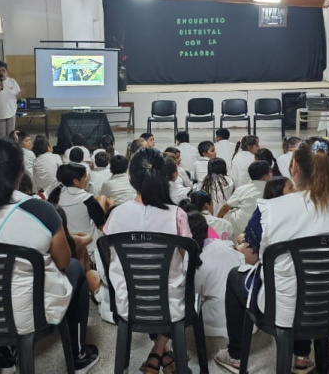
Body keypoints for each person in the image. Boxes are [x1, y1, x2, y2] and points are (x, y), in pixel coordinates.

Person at [215, 138, 329, 373]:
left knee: (236, 276)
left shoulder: (272, 209)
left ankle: (236, 355)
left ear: (294, 168)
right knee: (312, 280)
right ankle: (302, 355)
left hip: (280, 307)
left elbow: (250, 258)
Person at [0, 139, 100, 373]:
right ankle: (78, 354)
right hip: (27, 316)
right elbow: (61, 262)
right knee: (74, 268)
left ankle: (4, 353)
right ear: (19, 173)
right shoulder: (39, 210)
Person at [102, 148, 192, 374]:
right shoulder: (176, 215)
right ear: (166, 176)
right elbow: (185, 260)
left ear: (131, 179)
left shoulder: (115, 215)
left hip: (127, 301)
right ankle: (161, 351)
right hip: (170, 303)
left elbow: (109, 257)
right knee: (182, 279)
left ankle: (157, 352)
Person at [187, 211, 242, 338]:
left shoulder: (193, 258)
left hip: (215, 324)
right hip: (244, 317)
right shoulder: (224, 245)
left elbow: (193, 293)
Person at [47, 163, 113, 257]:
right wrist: (111, 207)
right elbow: (102, 226)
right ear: (76, 181)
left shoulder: (55, 195)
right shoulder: (87, 199)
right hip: (87, 248)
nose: (88, 179)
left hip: (62, 247)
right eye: (85, 176)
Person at [218, 160, 270, 237]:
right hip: (265, 227)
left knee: (231, 212)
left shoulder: (242, 189)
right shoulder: (272, 188)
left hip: (242, 227)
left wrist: (217, 220)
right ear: (265, 176)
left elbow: (226, 207)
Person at [0, 61, 25, 137]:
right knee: (2, 134)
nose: (1, 73)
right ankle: (3, 148)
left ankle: (9, 148)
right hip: (0, 113)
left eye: (3, 70)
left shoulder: (12, 81)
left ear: (7, 71)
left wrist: (23, 91)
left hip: (11, 112)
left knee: (11, 134)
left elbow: (18, 96)